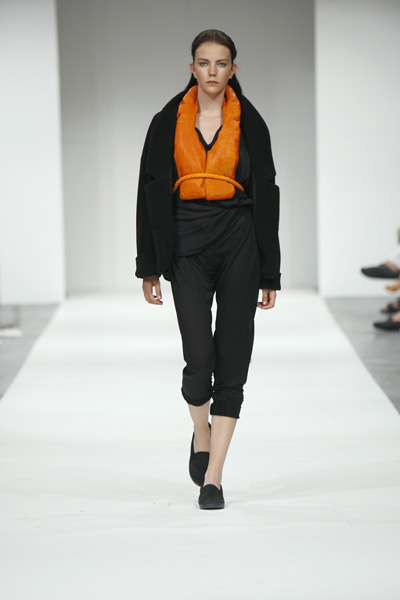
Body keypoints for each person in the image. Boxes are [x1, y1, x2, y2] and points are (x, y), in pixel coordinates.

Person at [135, 30, 281, 509]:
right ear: (192, 67)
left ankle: (214, 477)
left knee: (233, 357)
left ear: (233, 69)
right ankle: (201, 432)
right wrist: (149, 265)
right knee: (199, 359)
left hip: (239, 240)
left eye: (221, 63)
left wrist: (270, 271)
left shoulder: (251, 123)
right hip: (186, 242)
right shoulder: (166, 122)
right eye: (204, 62)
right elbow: (148, 191)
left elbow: (268, 194)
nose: (212, 71)